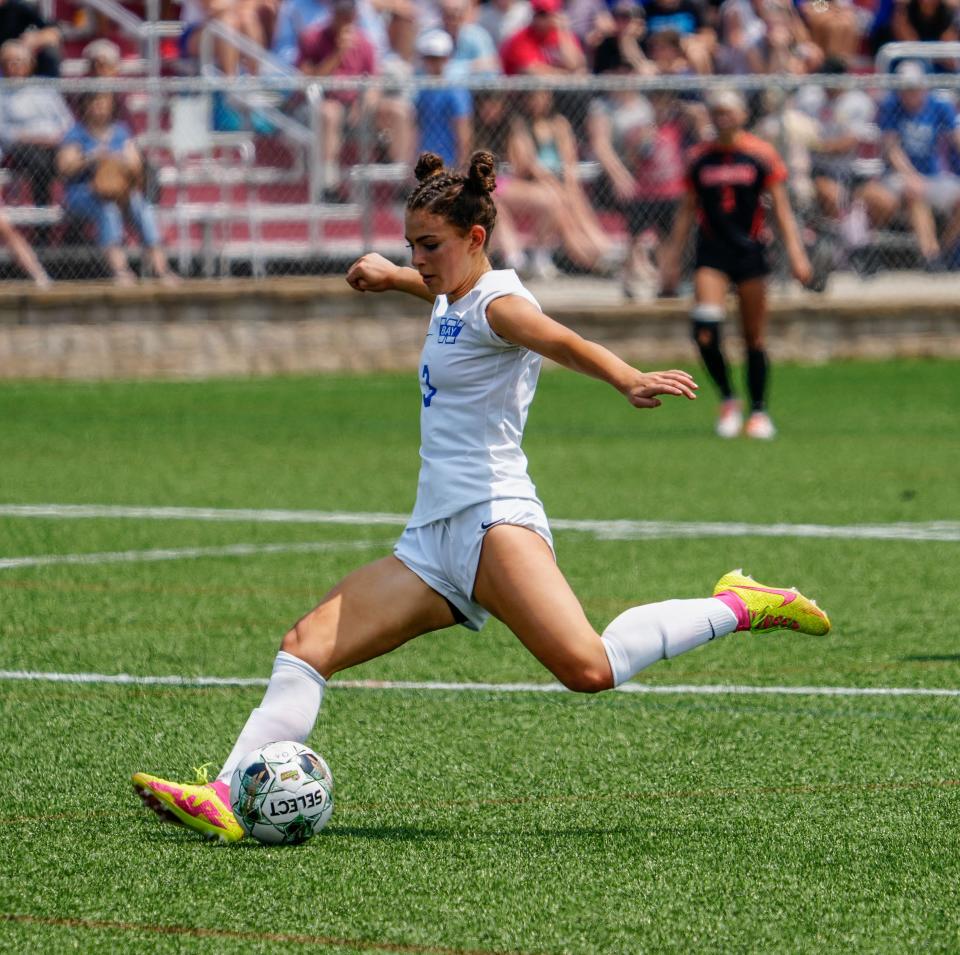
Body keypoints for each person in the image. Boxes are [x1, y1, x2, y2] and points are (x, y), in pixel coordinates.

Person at [131, 149, 831, 842]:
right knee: (306, 644)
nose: (419, 257)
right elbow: (443, 297)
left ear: (475, 238)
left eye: (429, 245)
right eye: (411, 244)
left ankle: (738, 603)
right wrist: (392, 275)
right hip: (432, 536)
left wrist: (625, 375)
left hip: (494, 521)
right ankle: (226, 793)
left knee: (590, 667)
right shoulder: (455, 294)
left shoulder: (499, 303)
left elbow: (557, 337)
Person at [660, 89, 812, 441]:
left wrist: (797, 254)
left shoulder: (760, 154)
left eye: (728, 111)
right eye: (717, 111)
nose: (722, 117)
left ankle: (758, 411)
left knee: (753, 337)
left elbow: (782, 210)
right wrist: (671, 259)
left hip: (750, 252)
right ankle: (729, 399)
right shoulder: (699, 158)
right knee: (705, 331)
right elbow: (685, 211)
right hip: (712, 252)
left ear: (742, 114)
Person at [56, 92, 179, 287]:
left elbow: (136, 165)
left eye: (103, 102)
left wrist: (117, 158)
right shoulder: (76, 132)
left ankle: (161, 269)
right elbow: (64, 167)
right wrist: (91, 158)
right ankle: (120, 270)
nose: (99, 107)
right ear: (85, 106)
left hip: (119, 190)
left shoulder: (121, 131)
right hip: (83, 192)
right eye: (94, 102)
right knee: (108, 210)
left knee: (141, 207)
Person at [860, 60, 960, 270]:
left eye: (915, 87)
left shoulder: (939, 104)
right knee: (914, 192)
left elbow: (956, 138)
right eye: (906, 88)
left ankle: (946, 252)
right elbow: (891, 149)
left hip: (933, 175)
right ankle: (930, 256)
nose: (911, 93)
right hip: (898, 177)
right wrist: (912, 176)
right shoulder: (890, 105)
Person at [0, 40, 73, 214]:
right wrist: (34, 138)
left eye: (20, 61)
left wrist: (57, 138)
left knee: (72, 159)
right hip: (21, 147)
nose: (15, 66)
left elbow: (66, 121)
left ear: (30, 64)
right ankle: (43, 223)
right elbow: (4, 131)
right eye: (10, 61)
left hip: (54, 143)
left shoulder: (44, 87)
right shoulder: (2, 92)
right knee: (40, 163)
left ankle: (73, 221)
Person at [414, 29, 472, 169]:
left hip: (449, 162)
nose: (433, 62)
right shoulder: (422, 90)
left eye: (438, 58)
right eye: (429, 57)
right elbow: (416, 127)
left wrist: (461, 165)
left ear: (446, 58)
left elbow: (462, 129)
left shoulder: (454, 90)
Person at [0, 0, 61, 76]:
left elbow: (53, 32)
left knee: (50, 53)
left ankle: (51, 85)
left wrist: (34, 40)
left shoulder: (20, 8)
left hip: (20, 50)